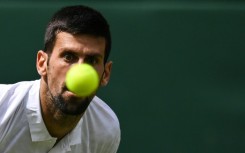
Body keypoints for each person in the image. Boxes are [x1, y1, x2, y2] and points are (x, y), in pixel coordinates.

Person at [0, 5, 120, 153]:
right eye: (68, 57)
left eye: (92, 60)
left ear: (105, 74)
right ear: (42, 63)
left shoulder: (106, 130)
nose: (79, 72)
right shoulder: (2, 109)